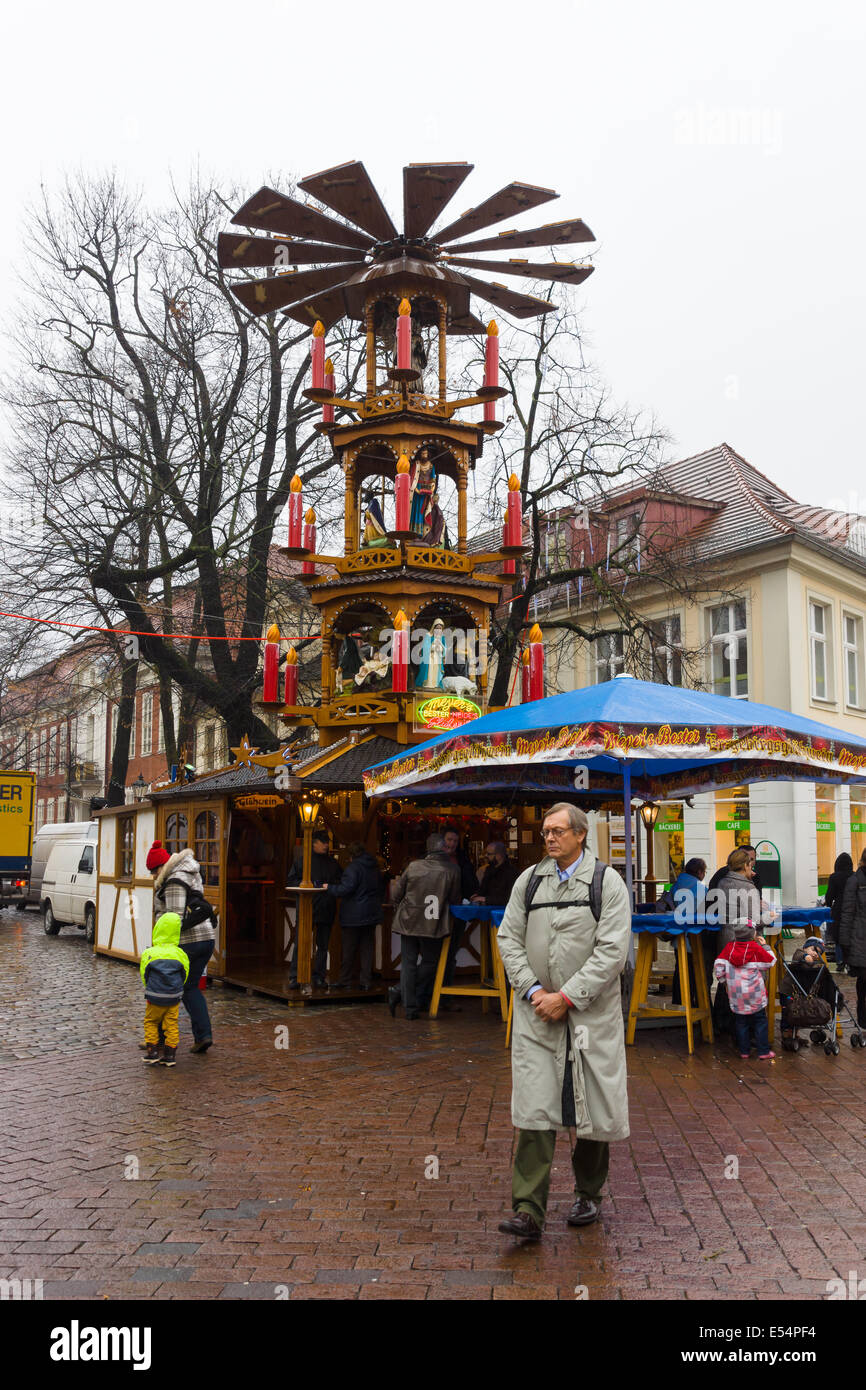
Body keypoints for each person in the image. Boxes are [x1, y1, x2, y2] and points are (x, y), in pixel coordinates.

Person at [496, 802, 631, 1241]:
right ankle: (528, 1210)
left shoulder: (606, 883)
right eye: (546, 832)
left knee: (592, 1107)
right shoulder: (529, 881)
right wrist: (535, 992)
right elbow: (508, 939)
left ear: (580, 835)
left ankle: (588, 1194)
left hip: (590, 1016)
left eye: (557, 831)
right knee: (535, 1107)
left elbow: (612, 952)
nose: (549, 838)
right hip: (537, 1015)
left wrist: (568, 997)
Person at [147, 840, 216, 1054]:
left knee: (164, 984)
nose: (152, 876)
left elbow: (174, 919)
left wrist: (164, 951)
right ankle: (202, 1035)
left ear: (161, 867)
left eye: (152, 871)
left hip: (189, 942)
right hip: (205, 939)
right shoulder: (188, 872)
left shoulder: (175, 880)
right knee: (190, 987)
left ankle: (157, 1039)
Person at [388, 834, 461, 1019]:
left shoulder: (413, 866)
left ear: (428, 848)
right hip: (433, 921)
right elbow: (455, 899)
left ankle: (408, 1006)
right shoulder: (452, 869)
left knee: (408, 964)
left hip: (408, 920)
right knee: (430, 962)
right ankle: (399, 992)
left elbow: (396, 894)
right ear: (444, 848)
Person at [286, 830, 342, 988]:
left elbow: (340, 882)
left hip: (326, 907)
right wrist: (307, 885)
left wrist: (330, 887)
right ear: (314, 843)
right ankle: (295, 976)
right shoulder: (303, 861)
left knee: (323, 946)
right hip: (307, 907)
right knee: (300, 943)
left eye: (327, 842)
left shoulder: (333, 863)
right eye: (323, 842)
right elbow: (291, 881)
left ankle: (319, 976)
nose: (326, 845)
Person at [713, 921, 776, 1060]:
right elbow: (770, 961)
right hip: (755, 994)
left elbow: (718, 966)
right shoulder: (755, 948)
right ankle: (763, 1050)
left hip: (736, 995)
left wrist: (724, 981)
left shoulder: (728, 948)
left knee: (741, 1022)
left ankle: (744, 1051)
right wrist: (765, 946)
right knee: (760, 1021)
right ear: (753, 934)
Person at [327, 843, 383, 991]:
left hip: (354, 914)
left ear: (351, 856)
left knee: (349, 948)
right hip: (371, 913)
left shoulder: (353, 868)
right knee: (367, 948)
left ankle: (344, 980)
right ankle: (365, 981)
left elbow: (346, 888)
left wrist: (329, 887)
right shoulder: (374, 867)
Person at [139, 912, 189, 1067]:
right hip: (174, 996)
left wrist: (149, 987)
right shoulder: (180, 954)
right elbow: (185, 973)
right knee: (172, 1024)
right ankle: (170, 1055)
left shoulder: (150, 953)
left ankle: (152, 1052)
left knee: (151, 1022)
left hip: (154, 996)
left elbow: (144, 973)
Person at [839, 850, 866, 1026]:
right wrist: (845, 944)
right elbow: (847, 913)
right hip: (860, 939)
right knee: (864, 981)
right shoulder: (855, 881)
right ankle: (863, 1018)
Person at [825, 851, 854, 973]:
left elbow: (829, 897)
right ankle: (851, 962)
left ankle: (840, 962)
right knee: (852, 936)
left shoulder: (834, 877)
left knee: (838, 937)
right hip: (852, 910)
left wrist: (829, 904)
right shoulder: (854, 876)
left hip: (838, 911)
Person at [472, 842, 520, 907]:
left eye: (489, 854)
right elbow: (483, 888)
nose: (486, 856)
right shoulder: (489, 869)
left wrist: (486, 899)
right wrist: (477, 895)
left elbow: (509, 898)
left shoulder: (512, 873)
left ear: (498, 855)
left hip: (502, 912)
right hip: (487, 909)